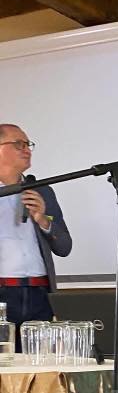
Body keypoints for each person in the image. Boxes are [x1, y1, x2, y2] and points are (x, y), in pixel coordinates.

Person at [0, 123, 72, 335]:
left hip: (39, 294)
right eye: (18, 144)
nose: (27, 150)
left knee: (38, 355)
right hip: (2, 295)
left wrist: (43, 219)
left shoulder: (42, 191)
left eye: (28, 144)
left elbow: (64, 247)